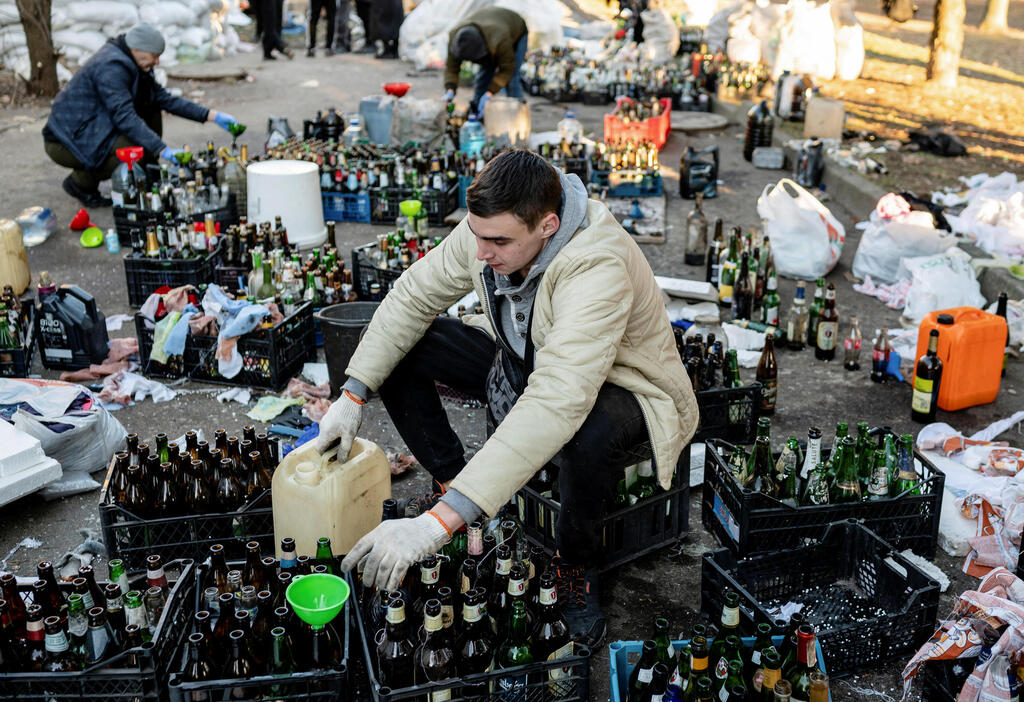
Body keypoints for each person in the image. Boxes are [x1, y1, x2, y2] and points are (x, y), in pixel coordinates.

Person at [319, 149, 698, 647]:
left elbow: (558, 400)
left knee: (585, 435)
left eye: (497, 241)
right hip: (526, 355)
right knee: (403, 348)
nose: (481, 253)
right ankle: (456, 484)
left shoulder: (596, 265)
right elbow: (413, 295)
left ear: (548, 225)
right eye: (477, 235)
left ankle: (575, 564)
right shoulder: (491, 229)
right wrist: (352, 394)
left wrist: (433, 526)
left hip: (621, 386)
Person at [42, 24, 240, 208]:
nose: (157, 61)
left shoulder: (136, 64)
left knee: (151, 108)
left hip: (93, 127)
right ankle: (80, 183)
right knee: (131, 151)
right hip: (66, 140)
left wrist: (211, 115)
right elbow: (124, 116)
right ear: (137, 49)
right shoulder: (111, 67)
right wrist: (161, 149)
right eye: (154, 56)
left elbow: (163, 99)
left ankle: (147, 168)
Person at [442, 7, 528, 115]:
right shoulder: (457, 40)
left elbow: (506, 70)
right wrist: (450, 89)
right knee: (484, 76)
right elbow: (451, 68)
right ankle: (477, 111)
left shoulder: (500, 40)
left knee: (512, 79)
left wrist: (490, 93)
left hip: (516, 28)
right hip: (490, 28)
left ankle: (517, 115)